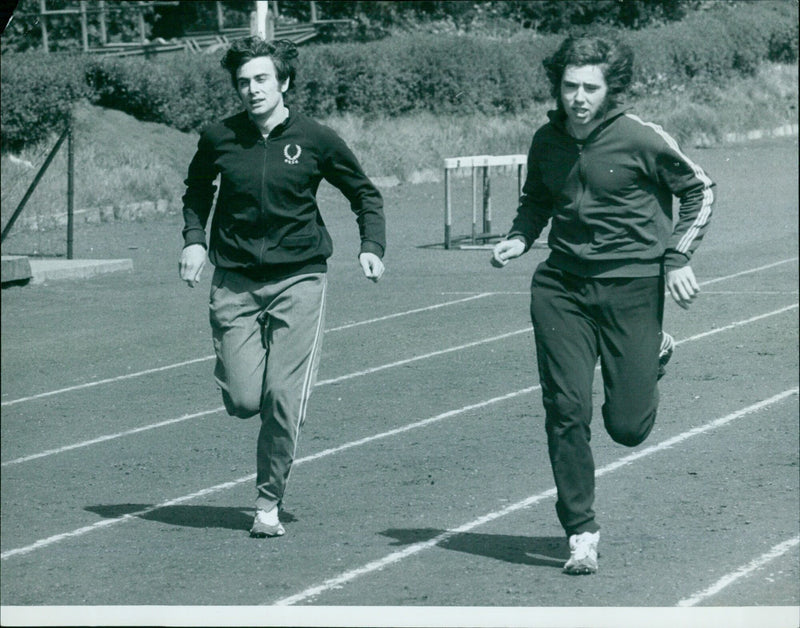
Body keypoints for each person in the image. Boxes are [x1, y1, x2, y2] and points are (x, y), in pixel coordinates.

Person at [491, 35, 714, 574]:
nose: (579, 97)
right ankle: (580, 530)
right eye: (570, 86)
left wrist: (677, 257)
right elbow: (537, 200)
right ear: (558, 87)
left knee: (629, 428)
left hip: (632, 289)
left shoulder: (641, 137)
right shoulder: (547, 140)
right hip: (561, 288)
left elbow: (700, 190)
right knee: (565, 409)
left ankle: (650, 353)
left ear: (611, 88)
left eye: (591, 87)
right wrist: (520, 237)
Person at [179, 37, 386, 538]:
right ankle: (252, 378)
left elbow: (364, 193)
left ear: (284, 82)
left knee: (280, 397)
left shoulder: (315, 138)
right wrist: (193, 242)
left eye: (261, 79)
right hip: (235, 281)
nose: (251, 89)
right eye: (243, 82)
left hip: (300, 277)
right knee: (245, 400)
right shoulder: (219, 137)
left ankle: (267, 503)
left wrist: (371, 245)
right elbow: (196, 192)